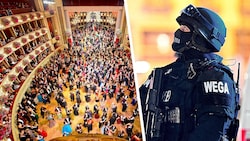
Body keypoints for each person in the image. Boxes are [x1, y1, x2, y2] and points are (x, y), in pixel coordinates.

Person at [139, 4, 240, 141]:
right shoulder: (163, 74)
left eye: (184, 29)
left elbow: (212, 132)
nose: (178, 32)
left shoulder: (215, 77)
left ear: (200, 36)